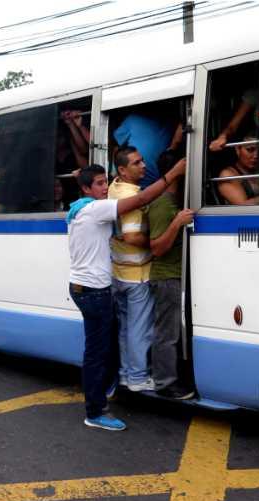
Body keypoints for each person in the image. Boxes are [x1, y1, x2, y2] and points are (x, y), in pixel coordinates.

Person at [68, 159, 186, 432]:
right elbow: (143, 197)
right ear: (86, 188)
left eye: (104, 183)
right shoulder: (96, 209)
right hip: (93, 291)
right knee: (96, 354)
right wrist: (173, 173)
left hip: (83, 288)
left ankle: (107, 386)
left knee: (105, 345)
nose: (104, 188)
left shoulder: (78, 209)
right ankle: (95, 411)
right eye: (98, 184)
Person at [108, 146, 158, 393]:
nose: (144, 165)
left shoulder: (114, 187)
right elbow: (131, 236)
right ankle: (138, 377)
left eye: (142, 160)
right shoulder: (133, 196)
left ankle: (127, 374)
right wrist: (157, 243)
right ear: (123, 170)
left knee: (127, 328)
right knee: (140, 330)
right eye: (137, 163)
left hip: (118, 273)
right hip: (137, 274)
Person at [148, 150, 196, 400]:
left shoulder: (173, 201)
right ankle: (165, 384)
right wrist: (177, 223)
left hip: (175, 276)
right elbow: (156, 248)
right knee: (166, 334)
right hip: (166, 277)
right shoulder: (163, 205)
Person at [113, 111, 183, 189]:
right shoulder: (133, 119)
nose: (143, 165)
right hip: (137, 186)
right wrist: (115, 173)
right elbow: (116, 147)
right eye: (137, 162)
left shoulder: (172, 122)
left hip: (161, 185)